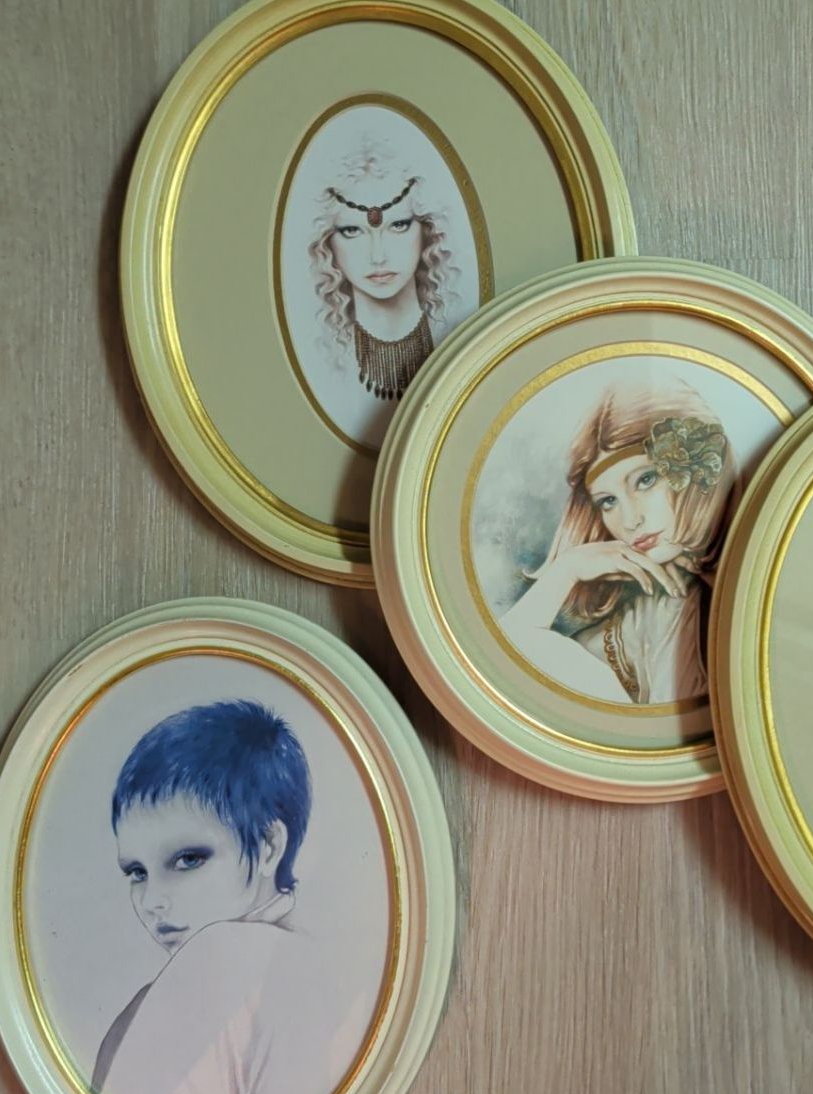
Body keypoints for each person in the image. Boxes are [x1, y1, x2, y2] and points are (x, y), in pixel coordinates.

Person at [91, 700, 347, 1094]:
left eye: (188, 859)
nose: (151, 900)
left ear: (268, 846)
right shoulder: (330, 968)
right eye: (137, 872)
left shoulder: (233, 955)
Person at [498, 378, 735, 704]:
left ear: (699, 468)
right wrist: (567, 570)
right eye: (608, 501)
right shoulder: (661, 606)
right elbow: (503, 666)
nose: (630, 520)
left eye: (645, 480)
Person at [307, 133, 463, 402]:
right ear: (327, 244)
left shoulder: (455, 332)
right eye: (352, 230)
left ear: (427, 231)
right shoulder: (325, 356)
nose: (378, 256)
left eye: (399, 225)